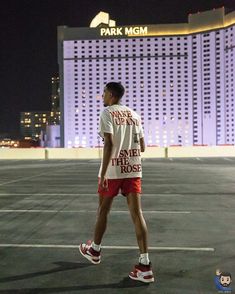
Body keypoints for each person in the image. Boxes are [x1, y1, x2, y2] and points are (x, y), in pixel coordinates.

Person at [79, 82, 154, 283]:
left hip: (113, 170)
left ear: (111, 95)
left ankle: (94, 250)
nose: (102, 96)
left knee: (103, 210)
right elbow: (143, 146)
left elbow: (109, 143)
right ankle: (145, 265)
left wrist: (103, 173)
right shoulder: (134, 115)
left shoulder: (107, 113)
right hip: (133, 168)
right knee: (137, 214)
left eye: (103, 92)